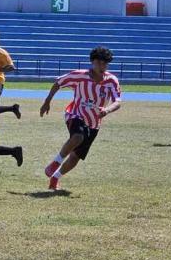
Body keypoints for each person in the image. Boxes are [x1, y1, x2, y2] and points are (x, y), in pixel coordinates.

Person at [40, 46, 122, 190]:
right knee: (78, 137)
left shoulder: (111, 81)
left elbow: (118, 101)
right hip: (75, 113)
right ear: (92, 62)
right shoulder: (79, 76)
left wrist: (107, 110)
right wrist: (47, 102)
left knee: (75, 158)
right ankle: (55, 163)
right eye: (99, 63)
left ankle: (55, 178)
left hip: (94, 123)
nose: (102, 66)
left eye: (105, 63)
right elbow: (58, 83)